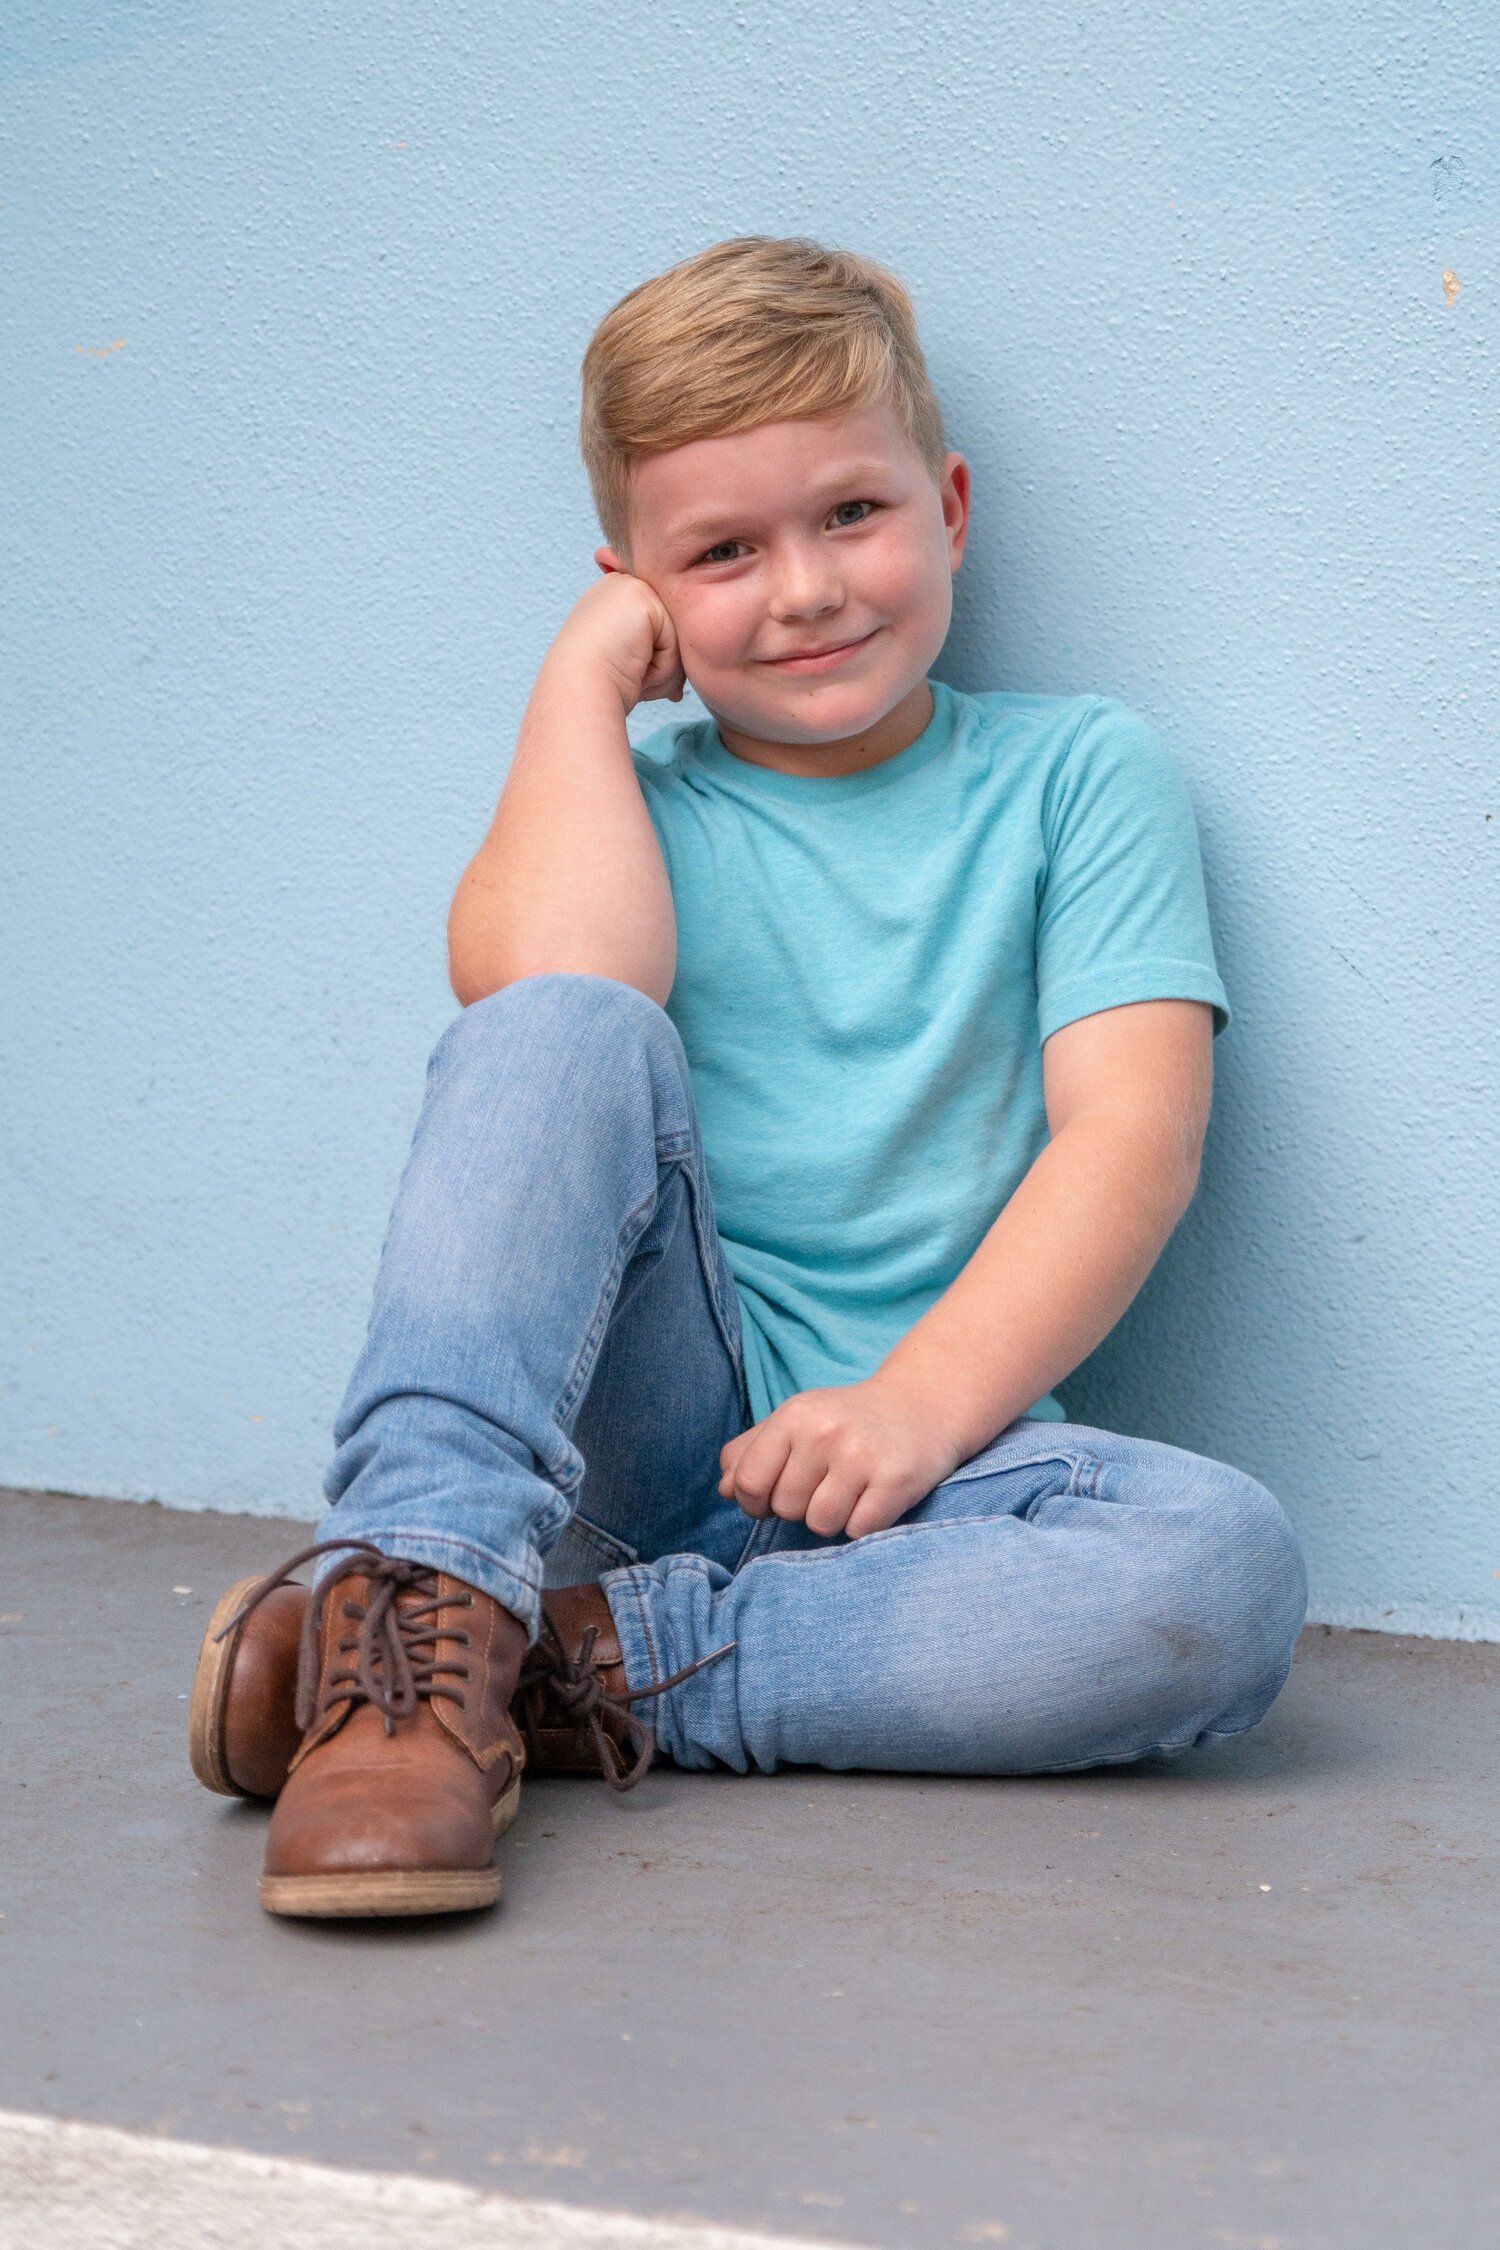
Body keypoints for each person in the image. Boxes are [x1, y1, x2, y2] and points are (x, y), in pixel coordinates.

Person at [187, 234, 1308, 1921]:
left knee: (1221, 1571)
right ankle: (412, 1596)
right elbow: (541, 1009)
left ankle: (547, 1667)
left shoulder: (1084, 777)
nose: (802, 590)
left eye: (851, 514)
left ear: (951, 505)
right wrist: (581, 689)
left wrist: (920, 1405)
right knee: (564, 1020)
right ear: (633, 583)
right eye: (719, 552)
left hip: (937, 1481)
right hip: (655, 1448)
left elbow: (1131, 1137)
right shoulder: (637, 814)